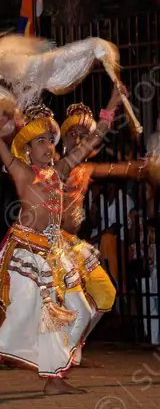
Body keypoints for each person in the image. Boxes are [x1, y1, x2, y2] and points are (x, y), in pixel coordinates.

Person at [0, 85, 122, 395]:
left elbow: (96, 137)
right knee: (20, 313)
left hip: (55, 253)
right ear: (27, 148)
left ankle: (54, 377)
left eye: (50, 141)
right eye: (40, 141)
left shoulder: (60, 171)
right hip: (27, 250)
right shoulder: (21, 172)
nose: (47, 146)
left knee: (80, 310)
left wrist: (113, 101)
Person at [58, 102, 149, 363]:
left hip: (74, 245)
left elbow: (121, 169)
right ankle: (37, 351)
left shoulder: (85, 169)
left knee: (105, 292)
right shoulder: (54, 165)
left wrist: (143, 166)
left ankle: (74, 345)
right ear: (62, 138)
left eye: (85, 136)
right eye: (73, 133)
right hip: (51, 246)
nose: (79, 139)